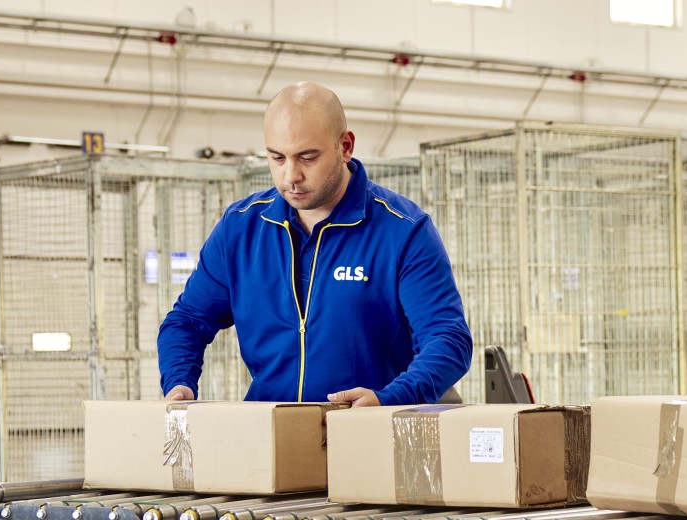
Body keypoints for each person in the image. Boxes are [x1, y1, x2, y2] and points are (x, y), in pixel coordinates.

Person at [157, 82, 471, 407]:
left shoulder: (402, 231)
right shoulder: (240, 229)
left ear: (345, 146)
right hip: (274, 432)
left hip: (370, 431)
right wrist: (179, 381)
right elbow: (187, 321)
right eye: (277, 157)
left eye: (307, 157)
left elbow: (447, 339)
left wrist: (388, 400)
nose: (290, 175)